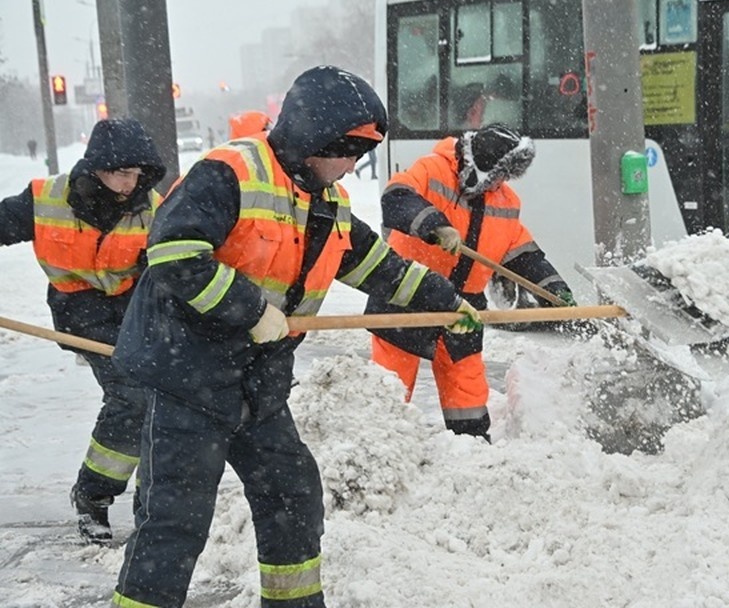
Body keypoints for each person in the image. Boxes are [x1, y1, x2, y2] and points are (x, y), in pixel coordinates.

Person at [108, 65, 482, 608]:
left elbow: (383, 268)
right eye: (348, 149)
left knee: (292, 494)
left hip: (259, 381)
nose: (353, 164)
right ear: (314, 135)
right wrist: (251, 311)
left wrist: (448, 303)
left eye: (362, 153)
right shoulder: (230, 172)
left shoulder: (328, 201)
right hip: (189, 375)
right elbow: (173, 254)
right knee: (176, 519)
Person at [0, 118, 166, 544]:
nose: (129, 183)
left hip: (133, 309)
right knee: (131, 398)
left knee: (162, 398)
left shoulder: (153, 206)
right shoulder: (45, 199)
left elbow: (170, 266)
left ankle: (152, 504)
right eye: (120, 173)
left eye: (136, 174)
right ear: (97, 168)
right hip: (81, 311)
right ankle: (94, 496)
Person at [365, 123, 576, 441]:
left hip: (463, 308)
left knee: (467, 390)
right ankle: (376, 444)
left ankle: (472, 447)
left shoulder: (506, 201)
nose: (503, 182)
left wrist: (554, 288)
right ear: (485, 167)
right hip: (407, 295)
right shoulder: (433, 169)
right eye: (500, 174)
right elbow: (396, 199)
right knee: (388, 388)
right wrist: (433, 224)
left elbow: (523, 254)